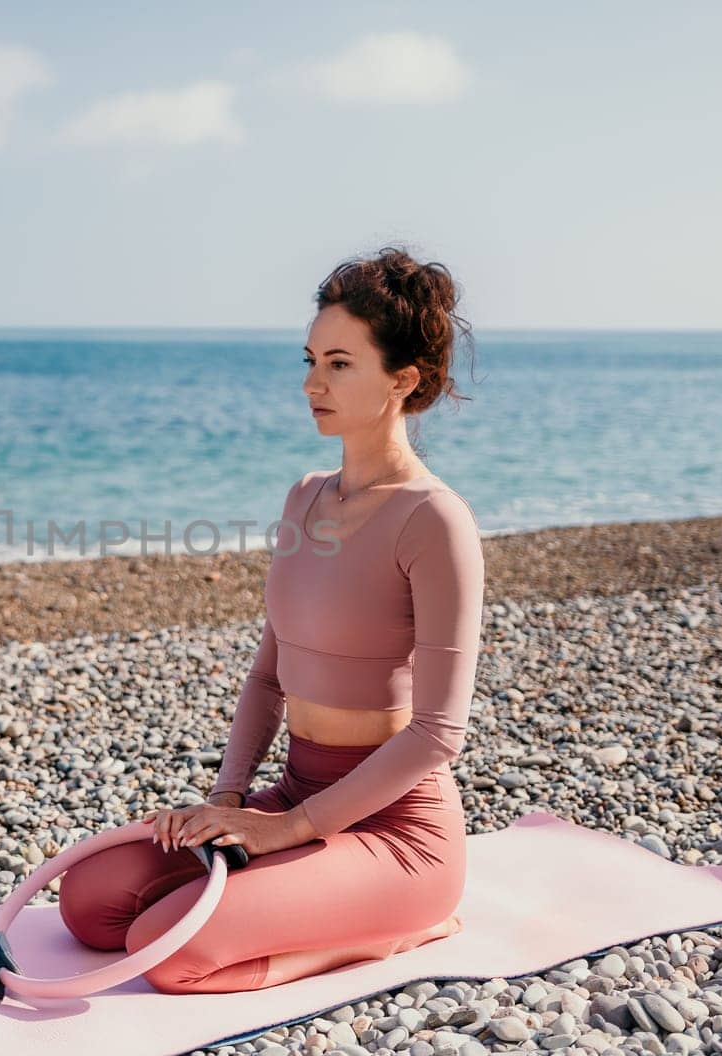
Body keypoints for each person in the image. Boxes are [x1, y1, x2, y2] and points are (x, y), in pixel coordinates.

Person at [56, 246, 486, 994]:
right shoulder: (305, 498)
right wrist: (228, 798)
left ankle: (402, 927)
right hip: (292, 791)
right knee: (90, 905)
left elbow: (437, 733)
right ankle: (307, 894)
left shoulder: (434, 520)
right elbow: (268, 673)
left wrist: (288, 829)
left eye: (341, 364)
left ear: (403, 380)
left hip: (397, 829)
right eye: (312, 358)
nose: (312, 382)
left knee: (166, 948)